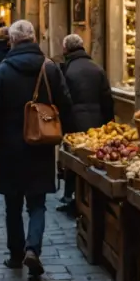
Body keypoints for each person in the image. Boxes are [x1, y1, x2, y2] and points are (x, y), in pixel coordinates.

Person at [0, 20, 72, 277]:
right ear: (33, 38)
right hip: (40, 144)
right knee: (37, 202)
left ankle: (16, 254)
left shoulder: (1, 71)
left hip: (10, 146)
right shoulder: (50, 68)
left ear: (12, 40)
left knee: (13, 203)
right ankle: (33, 248)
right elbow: (65, 102)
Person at [58, 34, 115, 211]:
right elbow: (107, 98)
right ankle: (87, 199)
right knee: (92, 161)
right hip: (96, 121)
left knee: (73, 161)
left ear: (66, 49)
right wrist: (109, 122)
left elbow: (63, 98)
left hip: (73, 122)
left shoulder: (67, 70)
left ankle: (71, 197)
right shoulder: (97, 69)